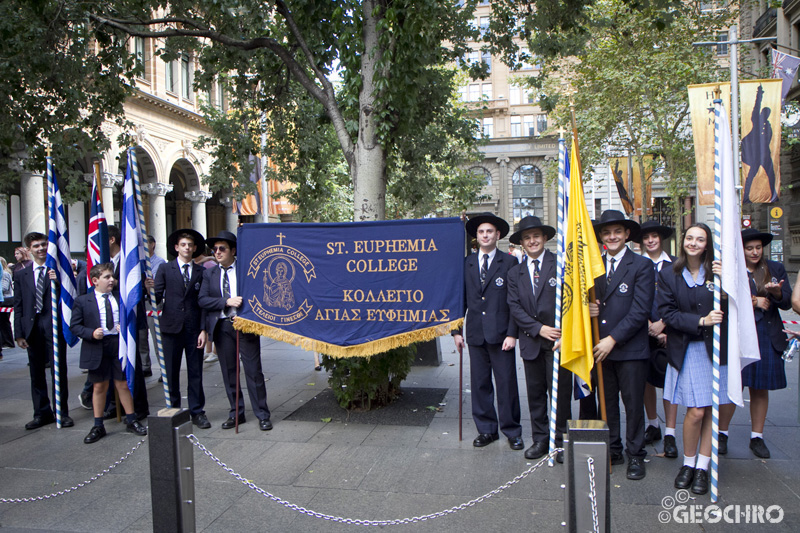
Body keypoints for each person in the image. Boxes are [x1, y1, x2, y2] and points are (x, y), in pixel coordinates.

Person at [657, 223, 736, 495]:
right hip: (688, 347)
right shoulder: (670, 275)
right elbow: (667, 313)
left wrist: (727, 285)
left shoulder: (718, 272)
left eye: (699, 239)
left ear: (707, 244)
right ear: (683, 241)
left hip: (715, 348)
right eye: (689, 237)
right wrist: (701, 320)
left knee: (711, 411)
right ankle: (688, 463)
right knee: (695, 411)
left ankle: (703, 466)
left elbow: (737, 305)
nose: (693, 243)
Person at [589, 210, 654, 481]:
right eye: (606, 232)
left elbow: (640, 311)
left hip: (628, 349)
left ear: (627, 234)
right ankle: (613, 448)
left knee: (633, 404)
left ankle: (636, 454)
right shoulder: (595, 266)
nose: (612, 236)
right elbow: (593, 303)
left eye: (617, 231)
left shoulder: (641, 265)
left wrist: (612, 340)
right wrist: (588, 308)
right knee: (608, 403)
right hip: (601, 349)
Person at [718, 228, 792, 459]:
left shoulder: (775, 269)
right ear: (741, 249)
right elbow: (721, 298)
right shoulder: (731, 269)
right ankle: (721, 433)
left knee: (760, 389)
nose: (754, 252)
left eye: (758, 247)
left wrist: (778, 293)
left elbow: (787, 302)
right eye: (749, 248)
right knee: (733, 386)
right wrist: (753, 300)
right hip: (738, 334)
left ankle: (757, 437)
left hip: (766, 334)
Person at [453, 212, 523, 450]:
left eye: (489, 232)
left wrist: (513, 333)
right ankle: (486, 430)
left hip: (502, 335)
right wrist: (456, 331)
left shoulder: (510, 262)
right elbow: (459, 299)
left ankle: (512, 430)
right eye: (481, 232)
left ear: (498, 235)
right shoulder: (467, 263)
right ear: (477, 236)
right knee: (480, 383)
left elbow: (515, 302)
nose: (485, 235)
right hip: (475, 333)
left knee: (506, 384)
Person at [506, 216, 571, 463]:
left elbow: (570, 302)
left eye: (536, 236)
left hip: (558, 340)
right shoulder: (515, 273)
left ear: (545, 238)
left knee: (560, 394)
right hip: (532, 340)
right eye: (527, 237)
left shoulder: (561, 265)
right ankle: (541, 439)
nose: (532, 241)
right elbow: (514, 306)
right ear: (521, 242)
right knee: (535, 394)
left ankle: (560, 440)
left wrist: (564, 332)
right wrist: (538, 328)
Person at [199, 231, 272, 431]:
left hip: (245, 325)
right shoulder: (209, 273)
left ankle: (262, 414)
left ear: (233, 250)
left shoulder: (246, 270)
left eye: (222, 248)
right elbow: (202, 300)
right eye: (214, 249)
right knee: (229, 372)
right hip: (222, 326)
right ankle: (236, 413)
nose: (217, 252)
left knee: (253, 371)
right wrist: (225, 302)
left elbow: (259, 293)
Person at [70, 263, 148, 443]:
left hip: (117, 345)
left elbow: (131, 318)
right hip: (97, 346)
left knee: (122, 384)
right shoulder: (83, 301)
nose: (112, 280)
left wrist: (125, 327)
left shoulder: (119, 298)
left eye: (112, 276)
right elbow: (75, 326)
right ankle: (98, 425)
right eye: (107, 277)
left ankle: (131, 419)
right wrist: (90, 333)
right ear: (95, 280)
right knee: (99, 386)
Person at [13, 232, 73, 429]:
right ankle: (41, 413)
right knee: (36, 373)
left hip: (53, 327)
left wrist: (58, 282)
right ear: (29, 250)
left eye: (43, 245)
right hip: (32, 329)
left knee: (58, 371)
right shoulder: (21, 273)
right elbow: (19, 304)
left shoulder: (57, 270)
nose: (41, 249)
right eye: (36, 246)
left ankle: (61, 413)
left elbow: (69, 295)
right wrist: (19, 333)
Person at [154, 228, 210, 429]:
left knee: (195, 371)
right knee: (170, 372)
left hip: (194, 329)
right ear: (176, 248)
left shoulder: (202, 272)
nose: (187, 248)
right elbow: (157, 296)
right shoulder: (165, 269)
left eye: (190, 245)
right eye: (183, 245)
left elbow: (203, 303)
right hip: (171, 328)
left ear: (195, 249)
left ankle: (197, 411)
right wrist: (147, 289)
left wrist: (203, 329)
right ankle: (173, 409)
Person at [637, 220, 679, 459]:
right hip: (642, 331)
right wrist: (648, 326)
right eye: (646, 237)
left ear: (660, 239)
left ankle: (671, 432)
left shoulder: (675, 265)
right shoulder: (638, 264)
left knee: (670, 381)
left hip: (670, 330)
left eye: (654, 236)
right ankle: (653, 424)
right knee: (645, 380)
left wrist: (665, 324)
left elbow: (681, 298)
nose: (650, 240)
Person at [0, 257, 14, 359]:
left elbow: (4, 287)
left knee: (4, 322)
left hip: (6, 299)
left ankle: (8, 342)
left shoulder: (5, 274)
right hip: (3, 299)